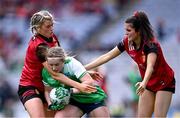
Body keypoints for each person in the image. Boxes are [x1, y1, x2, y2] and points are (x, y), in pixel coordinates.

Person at [85, 11, 176, 117]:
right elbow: (107, 56)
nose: (126, 33)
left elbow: (150, 67)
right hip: (148, 83)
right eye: (125, 30)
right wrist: (83, 67)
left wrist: (143, 82)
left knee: (159, 116)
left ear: (138, 31)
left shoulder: (151, 44)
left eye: (129, 30)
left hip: (164, 82)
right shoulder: (126, 42)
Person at [17, 10, 97, 117]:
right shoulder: (40, 46)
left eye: (52, 25)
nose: (51, 28)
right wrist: (79, 85)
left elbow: (62, 61)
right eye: (47, 26)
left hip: (48, 86)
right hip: (30, 86)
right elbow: (54, 73)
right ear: (37, 28)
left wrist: (82, 72)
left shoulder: (53, 37)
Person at [42, 46, 110, 117]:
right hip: (74, 101)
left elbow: (89, 82)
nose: (53, 68)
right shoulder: (46, 71)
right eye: (51, 65)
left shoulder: (72, 63)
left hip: (93, 98)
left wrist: (69, 91)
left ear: (64, 61)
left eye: (56, 64)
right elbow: (47, 90)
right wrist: (50, 104)